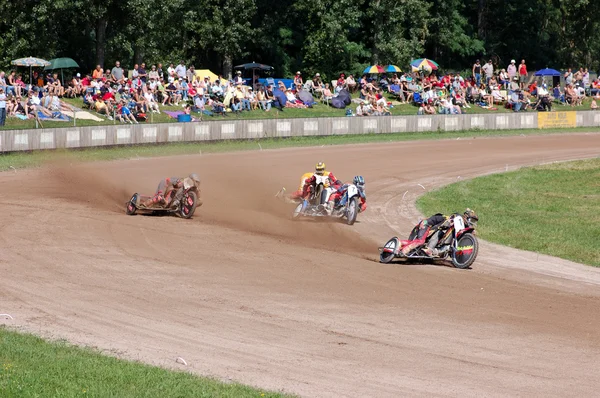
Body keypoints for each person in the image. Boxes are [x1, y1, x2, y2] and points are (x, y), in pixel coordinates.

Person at [400, 209, 478, 257]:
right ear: (465, 217)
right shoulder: (448, 219)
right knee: (421, 241)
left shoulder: (461, 229)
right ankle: (400, 246)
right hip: (426, 225)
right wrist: (425, 222)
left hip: (438, 240)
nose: (472, 223)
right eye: (472, 220)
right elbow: (434, 219)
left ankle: (434, 251)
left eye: (474, 221)